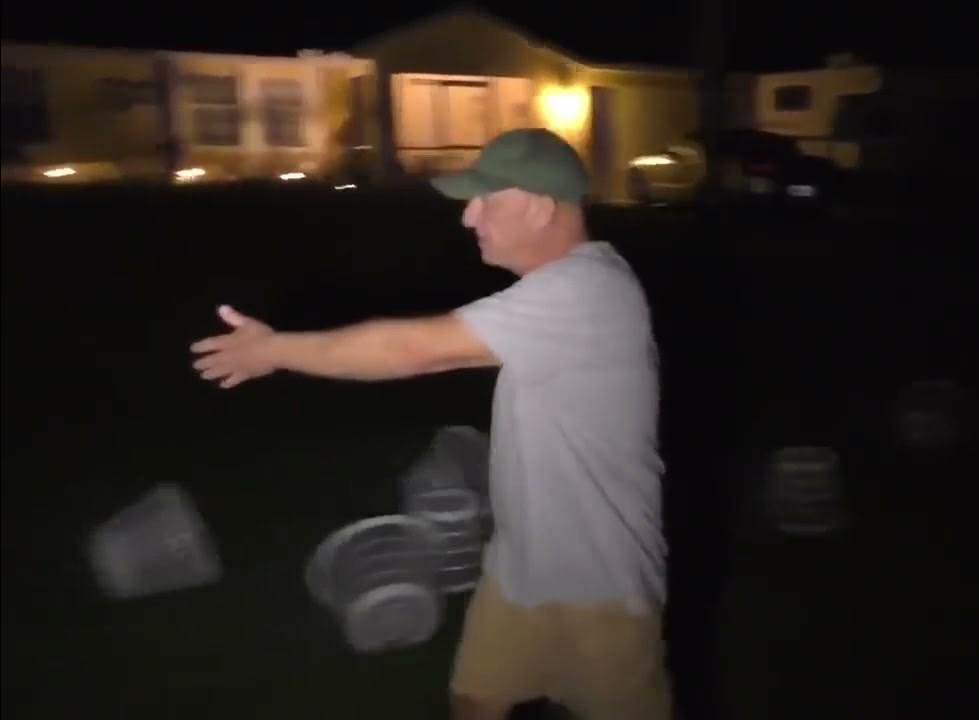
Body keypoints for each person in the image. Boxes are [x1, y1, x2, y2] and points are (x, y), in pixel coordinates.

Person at [190, 128, 672, 720]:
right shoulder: (564, 291)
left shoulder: (585, 291)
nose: (469, 217)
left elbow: (414, 349)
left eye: (485, 199)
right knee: (476, 701)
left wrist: (275, 351)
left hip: (601, 586)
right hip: (521, 570)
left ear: (541, 207)